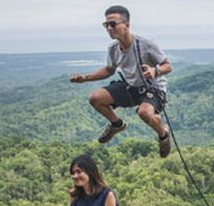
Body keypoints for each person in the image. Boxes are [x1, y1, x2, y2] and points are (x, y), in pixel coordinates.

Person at [70, 5, 172, 157]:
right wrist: (85, 78)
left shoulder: (146, 44)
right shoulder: (113, 49)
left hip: (153, 87)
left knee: (144, 113)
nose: (109, 28)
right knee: (96, 98)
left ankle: (163, 136)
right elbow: (109, 70)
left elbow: (168, 66)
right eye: (106, 25)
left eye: (113, 24)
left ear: (127, 25)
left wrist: (154, 71)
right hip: (130, 86)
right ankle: (117, 124)